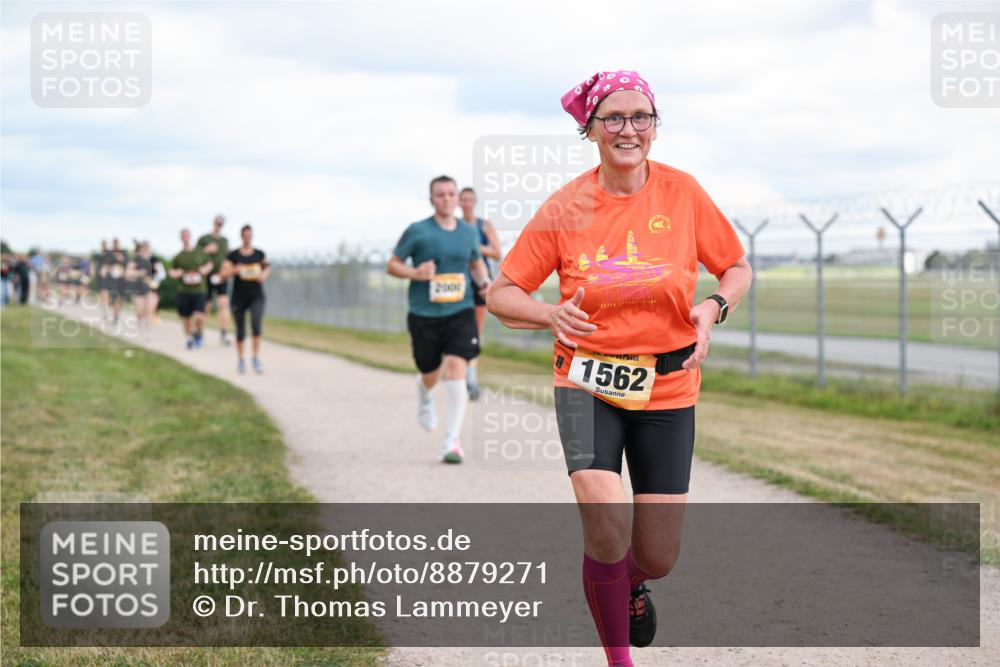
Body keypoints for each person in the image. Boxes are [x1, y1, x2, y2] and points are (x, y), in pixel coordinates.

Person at [486, 70, 752, 666]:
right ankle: (618, 658)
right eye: (613, 118)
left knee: (657, 554)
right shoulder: (566, 206)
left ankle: (628, 583)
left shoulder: (683, 193)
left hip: (669, 384)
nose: (628, 128)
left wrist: (714, 306)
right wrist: (549, 314)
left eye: (641, 117)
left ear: (655, 128)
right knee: (604, 515)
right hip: (586, 379)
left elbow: (736, 267)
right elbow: (501, 295)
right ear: (590, 129)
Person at [387, 175, 492, 464]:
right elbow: (392, 265)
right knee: (430, 371)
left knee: (457, 367)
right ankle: (424, 392)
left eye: (451, 194)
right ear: (431, 199)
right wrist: (415, 273)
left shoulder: (469, 233)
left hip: (460, 310)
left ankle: (452, 441)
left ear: (458, 198)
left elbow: (474, 262)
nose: (446, 199)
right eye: (440, 195)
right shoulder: (418, 231)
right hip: (424, 314)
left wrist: (484, 282)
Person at [458, 187, 502, 400]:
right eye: (463, 200)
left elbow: (496, 252)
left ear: (474, 202)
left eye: (470, 200)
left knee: (475, 333)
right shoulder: (454, 225)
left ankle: (471, 381)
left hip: (479, 282)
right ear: (459, 202)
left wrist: (473, 246)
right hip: (458, 281)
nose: (466, 203)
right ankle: (459, 377)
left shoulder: (483, 225)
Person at [220, 224, 270, 374]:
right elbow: (223, 274)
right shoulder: (234, 255)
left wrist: (263, 275)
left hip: (256, 295)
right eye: (245, 235)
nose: (248, 238)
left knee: (256, 324)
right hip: (239, 297)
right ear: (241, 236)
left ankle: (255, 357)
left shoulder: (259, 254)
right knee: (240, 329)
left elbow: (267, 267)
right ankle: (241, 359)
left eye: (250, 235)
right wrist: (235, 270)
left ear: (252, 236)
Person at [168, 229, 213, 349]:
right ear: (181, 238)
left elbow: (210, 264)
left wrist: (204, 270)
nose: (185, 238)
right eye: (183, 236)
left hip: (199, 290)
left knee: (199, 316)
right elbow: (171, 271)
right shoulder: (179, 256)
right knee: (186, 317)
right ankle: (189, 338)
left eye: (187, 236)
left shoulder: (199, 252)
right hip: (184, 290)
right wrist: (177, 273)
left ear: (190, 237)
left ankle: (198, 334)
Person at [197, 215, 232, 345]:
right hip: (206, 276)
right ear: (214, 223)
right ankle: (199, 333)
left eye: (221, 224)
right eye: (217, 223)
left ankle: (224, 333)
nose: (219, 225)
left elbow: (228, 257)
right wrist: (207, 250)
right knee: (206, 305)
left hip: (221, 276)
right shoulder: (204, 239)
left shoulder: (225, 241)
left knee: (224, 303)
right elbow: (195, 255)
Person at [126, 241, 154, 335]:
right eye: (144, 248)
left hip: (149, 289)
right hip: (137, 289)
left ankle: (148, 332)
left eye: (147, 248)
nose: (146, 250)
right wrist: (139, 273)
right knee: (140, 311)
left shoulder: (151, 260)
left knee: (149, 309)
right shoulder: (135, 260)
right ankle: (140, 325)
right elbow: (128, 274)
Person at [107, 239, 128, 323]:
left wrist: (122, 259)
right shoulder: (110, 254)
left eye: (117, 244)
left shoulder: (123, 253)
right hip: (112, 279)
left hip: (121, 279)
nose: (115, 246)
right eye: (114, 244)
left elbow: (127, 263)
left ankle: (117, 313)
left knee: (121, 298)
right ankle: (114, 316)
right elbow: (106, 265)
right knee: (113, 296)